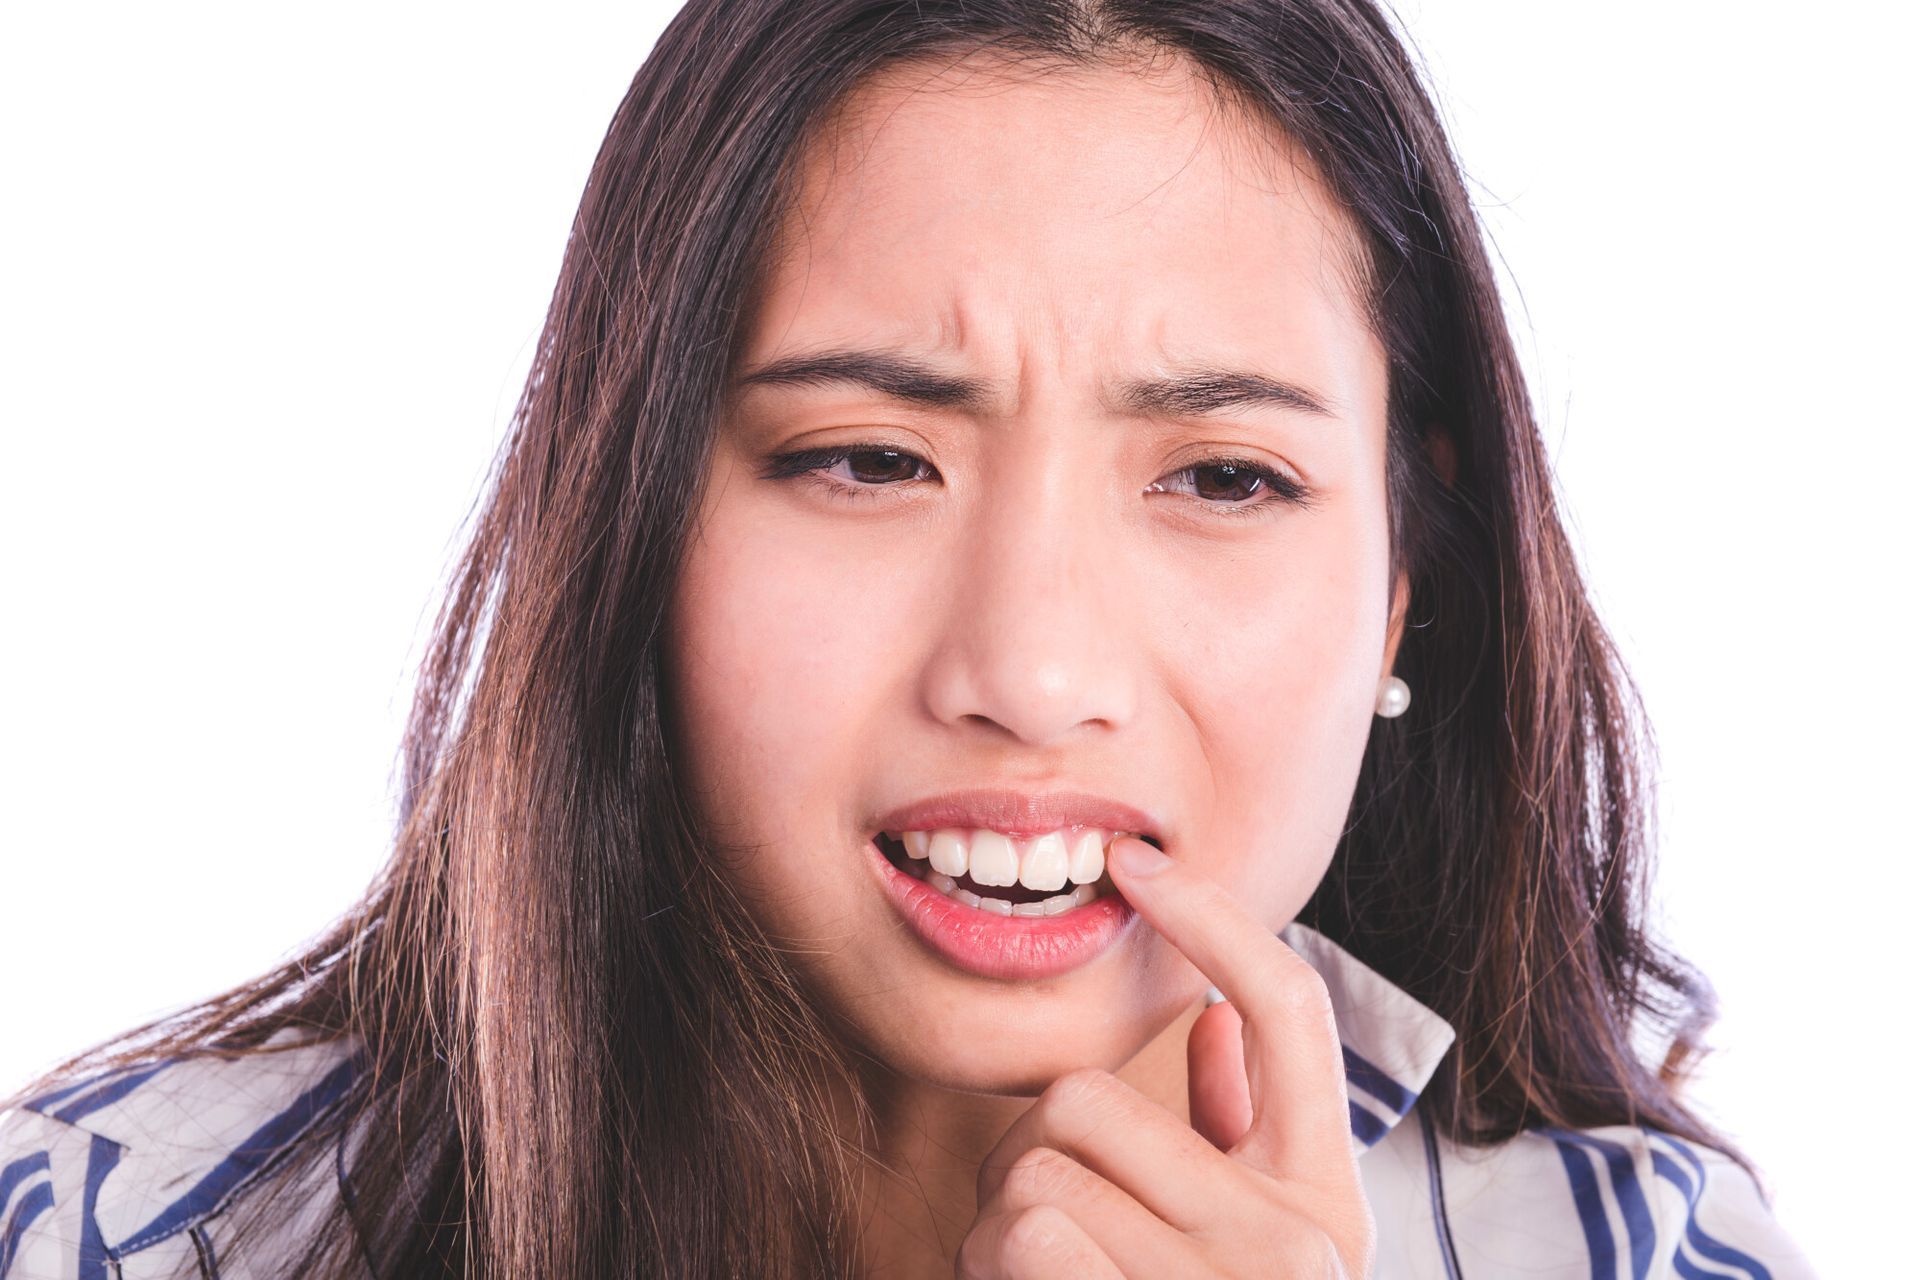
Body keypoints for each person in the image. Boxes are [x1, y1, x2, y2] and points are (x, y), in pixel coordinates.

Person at [0, 1, 1818, 1276]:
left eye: (1223, 479)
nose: (1027, 674)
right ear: (635, 526)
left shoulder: (1652, 1260)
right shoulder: (115, 1234)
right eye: (869, 460)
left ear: (1409, 574)